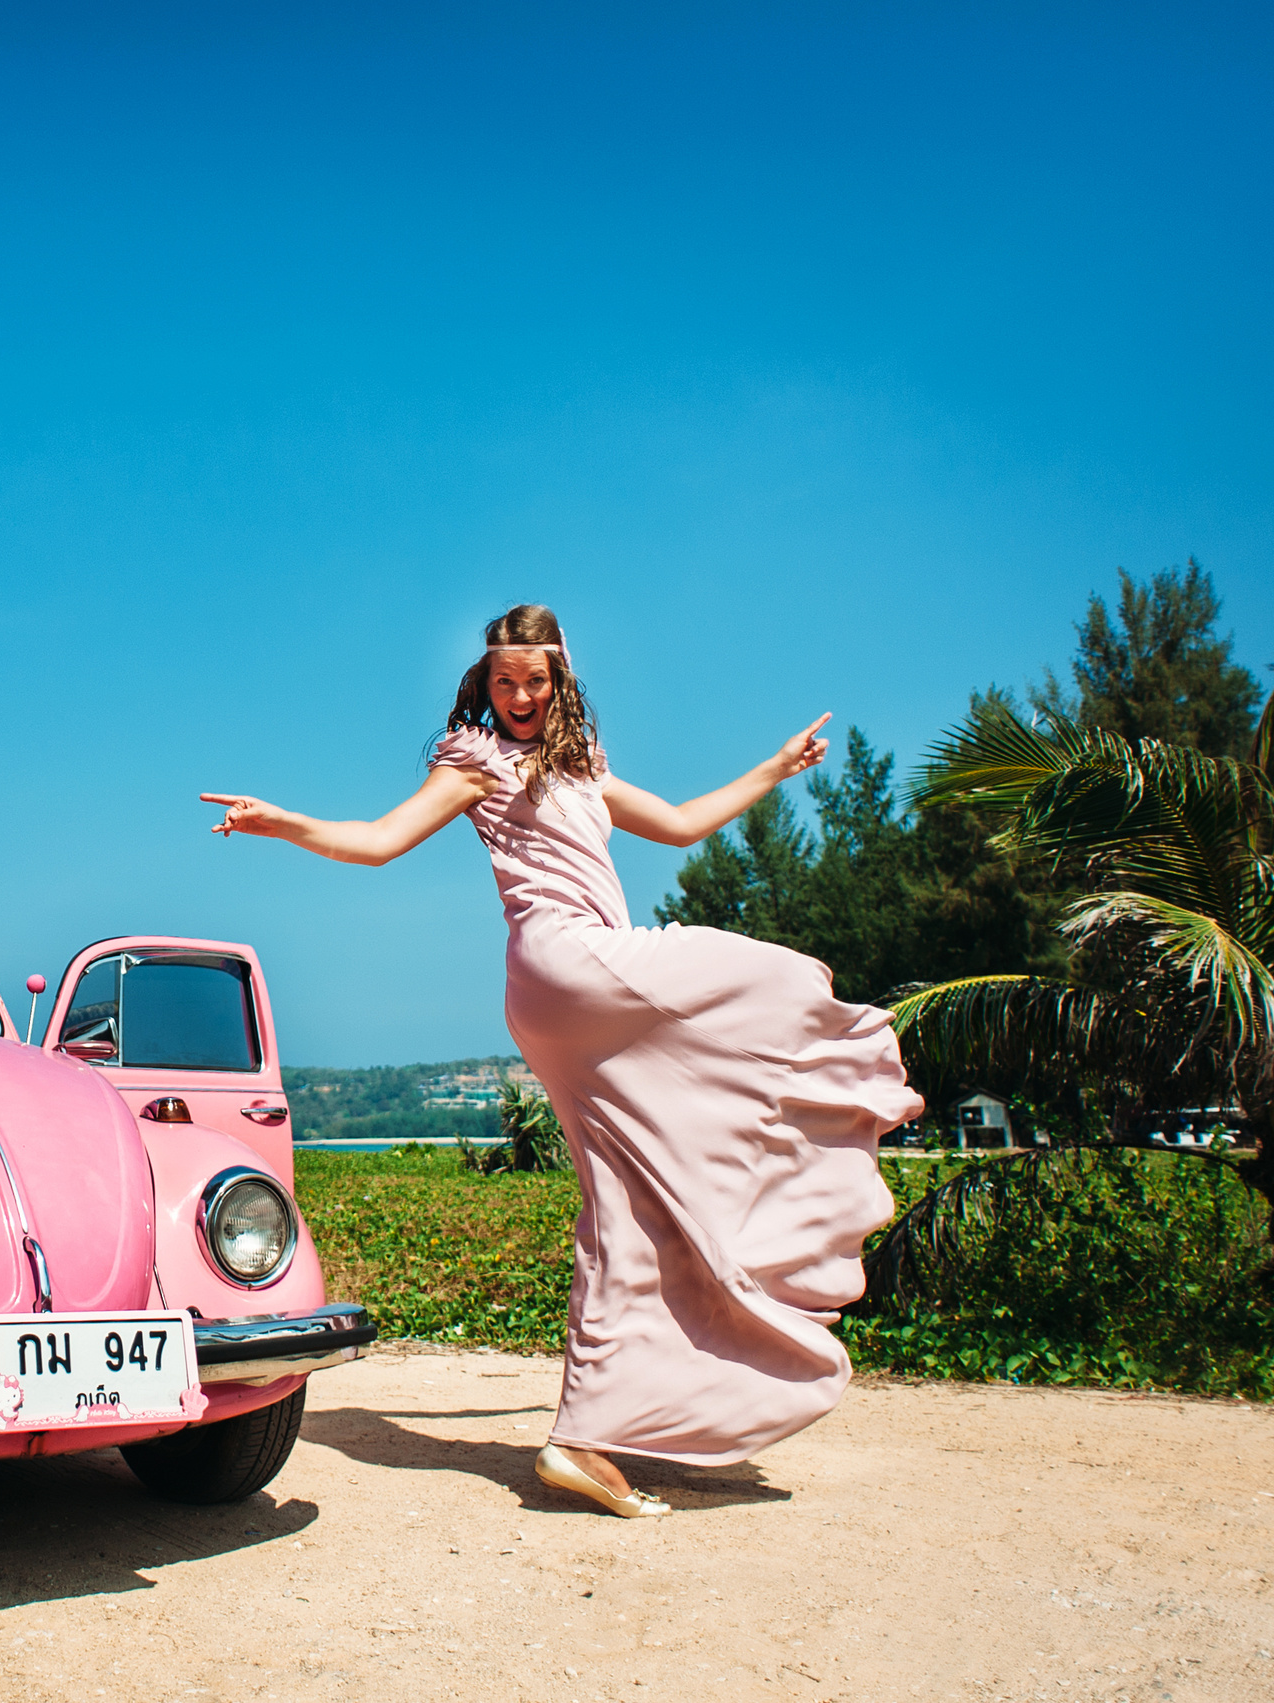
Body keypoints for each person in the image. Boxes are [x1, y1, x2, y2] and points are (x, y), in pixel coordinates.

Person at [201, 603, 920, 1518]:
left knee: (626, 1205)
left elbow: (687, 823)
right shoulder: (475, 761)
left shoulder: (583, 768)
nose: (519, 696)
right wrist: (281, 822)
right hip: (570, 962)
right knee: (780, 979)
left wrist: (778, 767)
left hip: (572, 991)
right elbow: (380, 842)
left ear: (560, 678)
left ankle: (584, 1438)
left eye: (534, 680)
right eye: (503, 681)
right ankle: (840, 1061)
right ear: (484, 684)